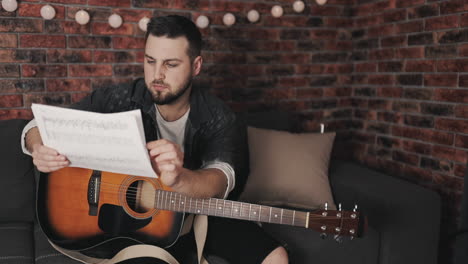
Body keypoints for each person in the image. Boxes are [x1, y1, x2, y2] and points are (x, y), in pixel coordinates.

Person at [22, 15, 288, 264]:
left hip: (196, 212)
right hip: (130, 223)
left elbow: (222, 179)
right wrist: (38, 146)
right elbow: (37, 125)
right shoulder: (120, 98)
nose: (157, 75)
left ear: (196, 66)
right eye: (150, 61)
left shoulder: (220, 117)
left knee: (276, 255)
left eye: (170, 64)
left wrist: (181, 178)